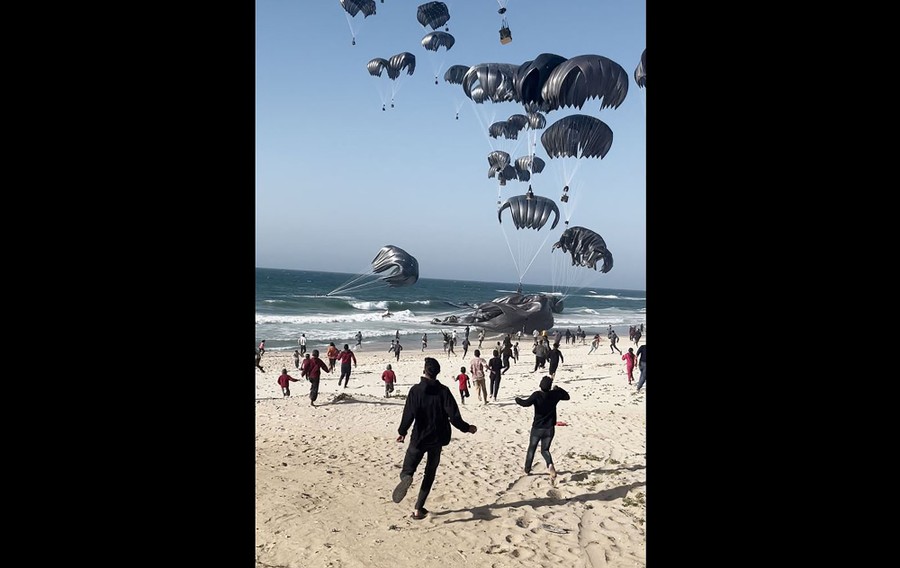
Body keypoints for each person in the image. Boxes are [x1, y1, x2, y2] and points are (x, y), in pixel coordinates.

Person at [392, 357, 477, 520]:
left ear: (424, 370)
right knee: (429, 473)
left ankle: (406, 478)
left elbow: (408, 414)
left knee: (407, 470)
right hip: (437, 439)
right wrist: (467, 428)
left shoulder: (415, 391)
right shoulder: (444, 391)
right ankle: (418, 509)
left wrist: (402, 432)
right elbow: (454, 417)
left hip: (418, 438)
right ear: (438, 373)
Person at [515, 375, 570, 480]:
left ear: (540, 385)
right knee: (545, 450)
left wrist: (517, 399)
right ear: (550, 386)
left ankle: (527, 469)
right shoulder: (554, 394)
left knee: (532, 448)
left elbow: (525, 403)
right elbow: (567, 397)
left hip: (537, 427)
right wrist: (558, 389)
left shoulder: (537, 395)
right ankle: (550, 465)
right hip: (549, 428)